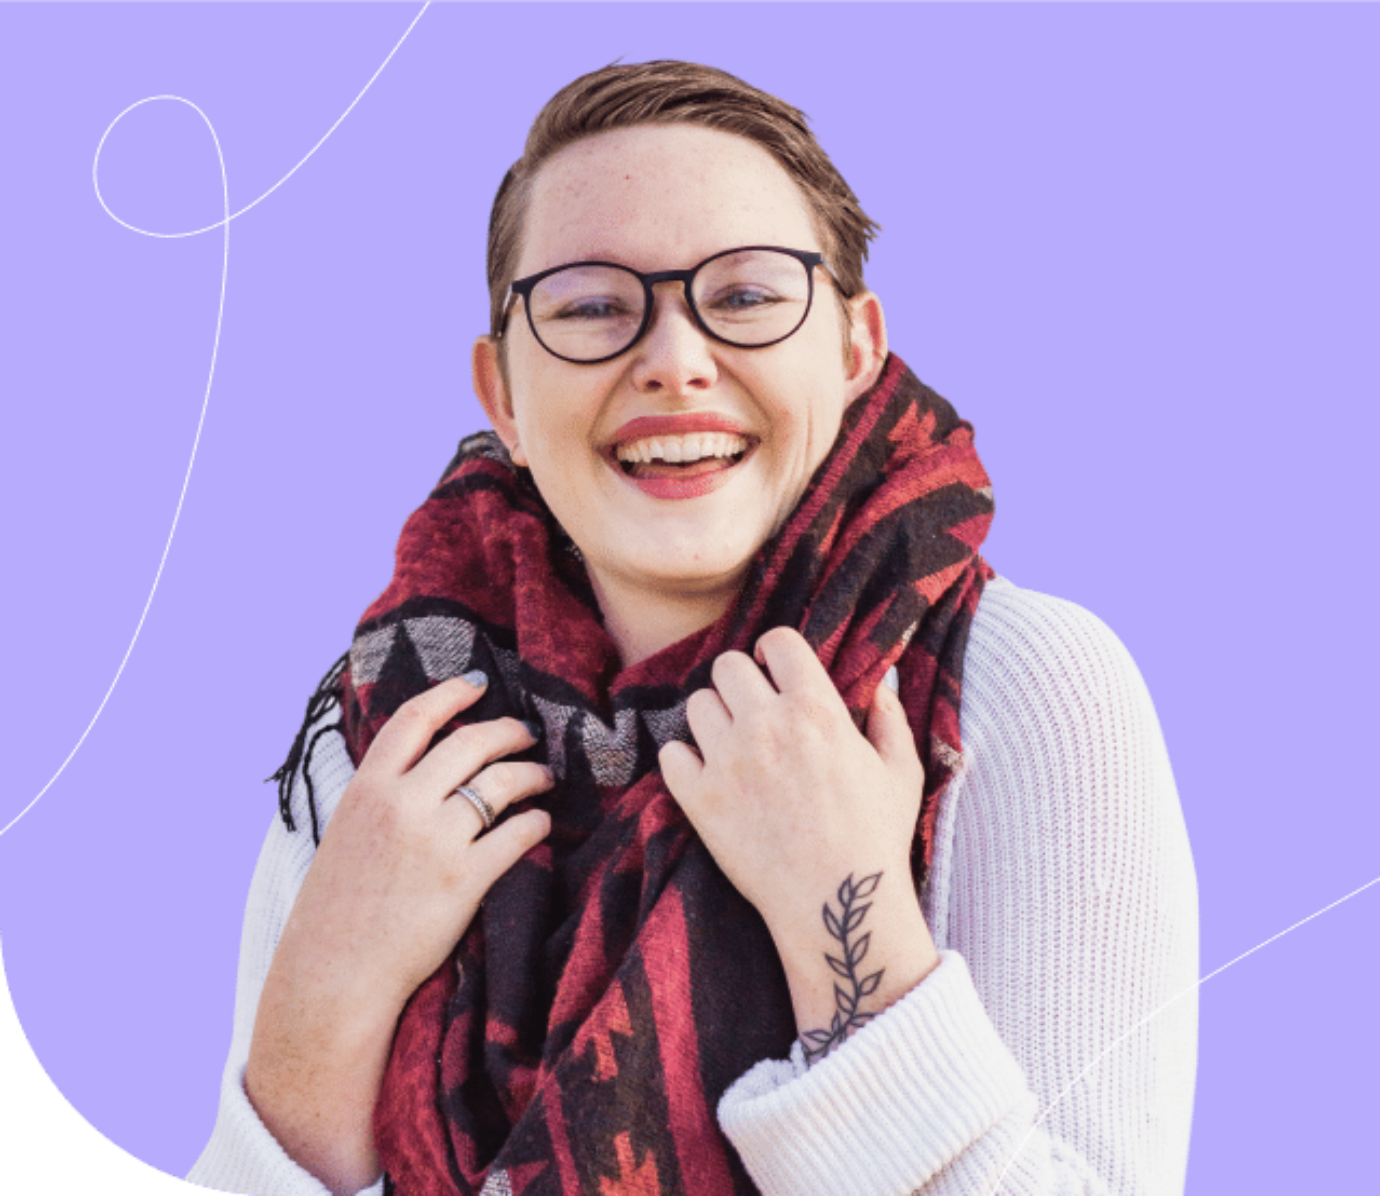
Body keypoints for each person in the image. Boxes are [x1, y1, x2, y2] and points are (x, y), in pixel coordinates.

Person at [187, 60, 1198, 1196]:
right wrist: (318, 1004)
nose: (673, 360)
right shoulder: (393, 734)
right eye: (589, 307)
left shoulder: (1015, 686)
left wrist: (842, 922)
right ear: (504, 395)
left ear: (856, 348)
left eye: (751, 296)